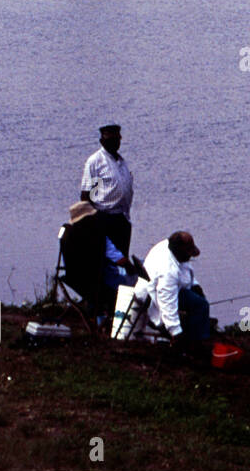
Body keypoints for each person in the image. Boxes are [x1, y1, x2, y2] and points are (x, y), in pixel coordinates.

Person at [59, 201, 138, 321]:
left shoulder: (68, 234)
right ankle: (122, 317)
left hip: (74, 279)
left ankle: (98, 313)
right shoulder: (96, 235)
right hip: (96, 282)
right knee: (132, 282)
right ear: (88, 218)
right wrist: (132, 268)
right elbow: (119, 259)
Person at [134, 231, 210, 344]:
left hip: (164, 288)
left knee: (199, 300)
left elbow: (184, 268)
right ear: (179, 252)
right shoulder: (167, 272)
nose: (190, 257)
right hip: (152, 296)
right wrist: (176, 332)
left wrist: (195, 285)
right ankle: (198, 341)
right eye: (188, 254)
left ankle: (197, 332)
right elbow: (167, 302)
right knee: (200, 305)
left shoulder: (168, 246)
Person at [80, 124, 133, 257]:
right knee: (109, 260)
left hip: (122, 218)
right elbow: (86, 195)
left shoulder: (121, 162)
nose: (115, 143)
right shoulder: (96, 162)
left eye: (117, 139)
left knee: (123, 260)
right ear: (102, 141)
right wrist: (94, 221)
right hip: (104, 218)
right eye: (110, 139)